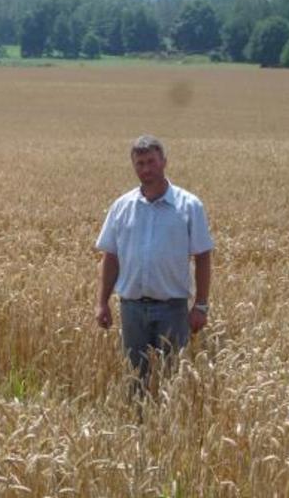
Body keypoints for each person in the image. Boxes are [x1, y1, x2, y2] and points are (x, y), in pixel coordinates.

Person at [94, 134, 213, 392]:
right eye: (140, 163)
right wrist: (102, 302)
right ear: (134, 166)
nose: (146, 169)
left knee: (172, 382)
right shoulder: (121, 207)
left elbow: (203, 257)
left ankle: (169, 431)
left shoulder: (189, 206)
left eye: (151, 162)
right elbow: (110, 257)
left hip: (173, 310)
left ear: (164, 162)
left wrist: (201, 305)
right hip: (132, 309)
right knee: (135, 380)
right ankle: (139, 428)